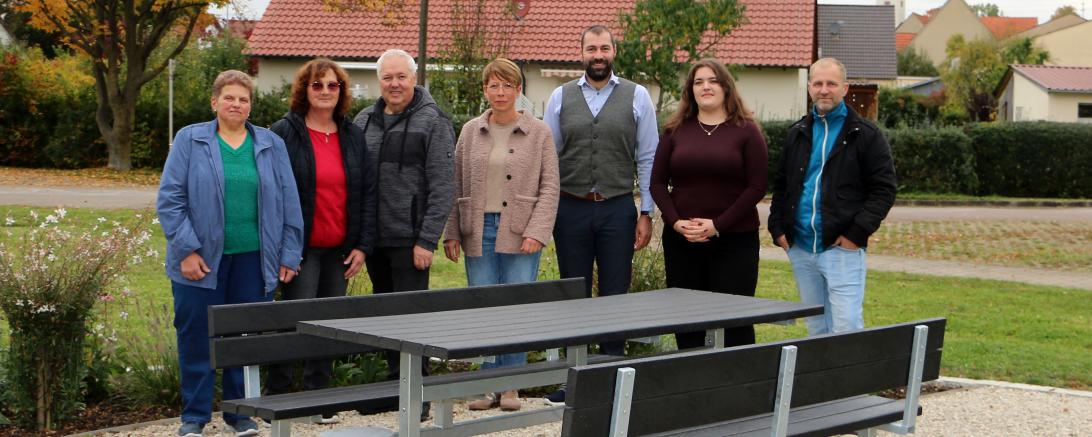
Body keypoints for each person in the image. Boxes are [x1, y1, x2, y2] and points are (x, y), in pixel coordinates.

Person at [157, 70, 304, 437]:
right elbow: (171, 200)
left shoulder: (270, 144)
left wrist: (289, 253)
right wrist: (187, 251)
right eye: (229, 98)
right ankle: (194, 416)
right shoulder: (190, 140)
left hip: (254, 260)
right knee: (196, 336)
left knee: (245, 339)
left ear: (251, 105)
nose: (236, 104)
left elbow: (289, 203)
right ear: (214, 102)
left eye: (243, 99)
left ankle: (241, 413)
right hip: (201, 262)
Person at [541, 24, 658, 404]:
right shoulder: (559, 97)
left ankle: (612, 377)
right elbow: (548, 158)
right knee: (573, 292)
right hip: (571, 207)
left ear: (614, 52)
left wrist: (646, 211)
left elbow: (648, 157)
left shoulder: (637, 96)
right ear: (581, 53)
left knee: (615, 292)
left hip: (617, 208)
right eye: (591, 48)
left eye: (604, 48)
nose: (598, 55)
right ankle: (572, 378)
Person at [442, 58, 560, 412]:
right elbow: (455, 183)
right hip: (478, 228)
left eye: (507, 85)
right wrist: (451, 232)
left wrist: (538, 230)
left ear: (518, 90)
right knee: (484, 307)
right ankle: (488, 385)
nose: (500, 91)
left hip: (521, 229)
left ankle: (511, 387)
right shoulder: (470, 131)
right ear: (485, 90)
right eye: (493, 85)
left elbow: (551, 186)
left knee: (517, 308)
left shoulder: (539, 132)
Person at [263, 59, 375, 424]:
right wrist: (283, 249)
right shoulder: (284, 133)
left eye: (332, 85)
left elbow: (367, 192)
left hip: (339, 249)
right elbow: (272, 195)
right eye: (317, 85)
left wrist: (362, 244)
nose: (325, 91)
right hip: (300, 249)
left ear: (341, 91)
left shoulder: (352, 135)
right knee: (293, 321)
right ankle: (277, 397)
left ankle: (320, 399)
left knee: (329, 323)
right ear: (304, 90)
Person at [352, 48, 455, 419]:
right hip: (374, 239)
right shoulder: (364, 121)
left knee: (412, 319)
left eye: (401, 77)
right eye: (387, 78)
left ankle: (418, 394)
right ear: (379, 82)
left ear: (414, 78)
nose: (394, 84)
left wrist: (427, 239)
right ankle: (393, 388)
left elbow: (443, 186)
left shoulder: (434, 121)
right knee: (384, 317)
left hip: (411, 241)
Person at [768, 57, 897, 336]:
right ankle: (819, 381)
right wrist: (777, 228)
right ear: (809, 88)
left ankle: (851, 381)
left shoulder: (866, 135)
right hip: (801, 247)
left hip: (842, 249)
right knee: (816, 326)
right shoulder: (797, 133)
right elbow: (782, 186)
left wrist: (856, 234)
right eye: (817, 83)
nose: (824, 90)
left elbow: (884, 190)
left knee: (847, 327)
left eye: (831, 83)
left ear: (845, 88)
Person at [650, 59, 768, 350]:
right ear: (691, 90)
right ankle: (692, 386)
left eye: (713, 80)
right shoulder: (675, 130)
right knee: (687, 318)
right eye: (698, 81)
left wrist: (717, 226)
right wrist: (675, 221)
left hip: (734, 241)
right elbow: (656, 183)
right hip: (683, 242)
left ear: (726, 87)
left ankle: (737, 386)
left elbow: (757, 187)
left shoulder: (746, 131)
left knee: (734, 320)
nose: (706, 86)